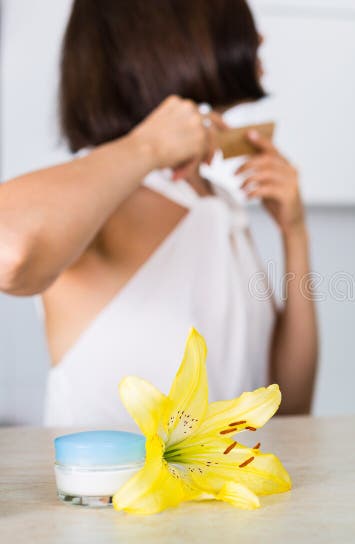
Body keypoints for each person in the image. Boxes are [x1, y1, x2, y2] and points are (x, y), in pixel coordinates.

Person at [0, 0, 318, 425]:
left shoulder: (218, 202)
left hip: (218, 491)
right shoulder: (99, 198)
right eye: (237, 23)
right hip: (107, 494)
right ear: (172, 37)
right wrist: (148, 146)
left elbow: (290, 411)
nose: (259, 40)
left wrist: (294, 234)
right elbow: (8, 250)